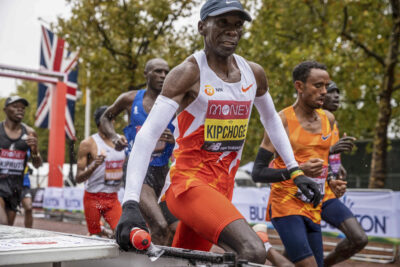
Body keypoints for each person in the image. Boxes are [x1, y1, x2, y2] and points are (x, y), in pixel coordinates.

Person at [116, 1, 321, 264]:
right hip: (188, 186)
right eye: (222, 23)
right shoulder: (188, 73)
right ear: (202, 27)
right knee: (252, 251)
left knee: (188, 262)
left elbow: (271, 120)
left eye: (237, 25)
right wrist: (130, 203)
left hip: (222, 188)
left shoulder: (253, 73)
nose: (232, 30)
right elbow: (146, 137)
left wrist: (295, 170)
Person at [253, 61, 337, 267]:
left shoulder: (329, 119)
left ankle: (264, 245)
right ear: (299, 87)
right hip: (285, 204)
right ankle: (264, 247)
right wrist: (298, 171)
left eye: (326, 86)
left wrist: (332, 182)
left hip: (312, 204)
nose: (324, 92)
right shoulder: (280, 121)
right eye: (318, 86)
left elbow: (325, 164)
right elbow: (258, 172)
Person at [100, 58, 178, 245]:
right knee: (160, 227)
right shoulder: (130, 99)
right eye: (157, 71)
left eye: (166, 72)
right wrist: (114, 138)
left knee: (176, 231)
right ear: (146, 74)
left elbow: (190, 130)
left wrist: (176, 140)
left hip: (164, 173)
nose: (163, 75)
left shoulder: (176, 102)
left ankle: (131, 249)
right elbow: (106, 117)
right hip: (139, 172)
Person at [321, 81, 368, 266]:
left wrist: (337, 166)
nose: (337, 96)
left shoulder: (333, 122)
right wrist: (330, 151)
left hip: (327, 194)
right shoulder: (308, 122)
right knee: (300, 253)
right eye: (331, 92)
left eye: (338, 93)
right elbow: (301, 155)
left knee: (359, 239)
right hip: (303, 195)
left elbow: (331, 152)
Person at [76, 106, 125, 237]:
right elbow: (78, 178)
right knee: (95, 236)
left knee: (123, 233)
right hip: (93, 197)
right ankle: (101, 230)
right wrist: (94, 166)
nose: (112, 123)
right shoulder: (88, 144)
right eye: (108, 120)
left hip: (112, 198)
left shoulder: (122, 140)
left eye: (112, 120)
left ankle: (105, 230)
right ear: (100, 123)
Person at [0, 96, 42, 226]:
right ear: (5, 109)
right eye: (15, 107)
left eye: (22, 108)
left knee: (7, 229)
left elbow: (37, 164)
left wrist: (34, 150)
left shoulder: (30, 133)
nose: (20, 110)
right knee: (3, 223)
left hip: (15, 187)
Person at [21, 164, 33, 228]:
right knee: (7, 221)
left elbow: (37, 165)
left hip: (24, 186)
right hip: (7, 184)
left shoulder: (28, 153)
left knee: (29, 208)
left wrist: (36, 156)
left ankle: (28, 233)